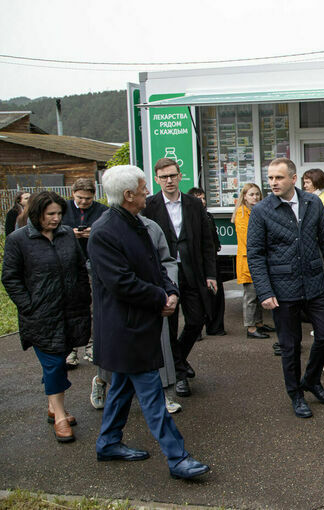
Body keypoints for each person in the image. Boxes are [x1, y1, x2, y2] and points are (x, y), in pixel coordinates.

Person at [88, 164, 209, 479]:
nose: (147, 192)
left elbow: (157, 265)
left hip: (138, 326)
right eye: (143, 188)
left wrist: (170, 291)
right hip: (124, 330)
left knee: (121, 389)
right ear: (129, 195)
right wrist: (160, 298)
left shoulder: (136, 224)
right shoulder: (105, 232)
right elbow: (121, 283)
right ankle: (178, 458)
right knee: (153, 397)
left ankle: (108, 443)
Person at [247, 157, 324, 418]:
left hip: (314, 283)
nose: (273, 182)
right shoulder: (262, 210)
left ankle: (311, 380)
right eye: (270, 178)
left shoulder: (313, 203)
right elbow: (255, 254)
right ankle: (296, 394)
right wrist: (265, 292)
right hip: (282, 289)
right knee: (290, 346)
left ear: (293, 178)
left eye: (278, 177)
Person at [2, 191, 91, 443]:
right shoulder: (18, 239)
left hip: (71, 313)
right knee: (53, 363)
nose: (56, 218)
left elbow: (79, 268)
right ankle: (60, 416)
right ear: (36, 213)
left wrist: (84, 298)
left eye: (59, 213)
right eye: (50, 214)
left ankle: (53, 406)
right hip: (40, 315)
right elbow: (10, 277)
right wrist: (28, 306)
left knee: (59, 360)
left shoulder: (67, 235)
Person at [88, 213, 184, 415]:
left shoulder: (151, 227)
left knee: (157, 349)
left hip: (153, 300)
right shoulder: (105, 228)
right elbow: (113, 276)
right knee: (117, 358)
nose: (145, 198)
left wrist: (171, 290)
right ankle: (102, 381)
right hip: (123, 303)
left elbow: (166, 262)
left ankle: (161, 394)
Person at [143, 158, 217, 398]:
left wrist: (210, 274)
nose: (169, 180)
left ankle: (179, 360)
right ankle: (180, 375)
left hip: (192, 271)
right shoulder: (149, 206)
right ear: (157, 179)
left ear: (180, 176)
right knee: (170, 325)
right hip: (164, 275)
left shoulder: (194, 204)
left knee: (197, 320)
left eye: (173, 175)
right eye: (164, 177)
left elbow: (206, 241)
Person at [61, 178, 109, 368]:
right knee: (69, 305)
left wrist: (93, 232)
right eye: (80, 198)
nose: (83, 202)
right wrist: (69, 233)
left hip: (92, 261)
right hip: (69, 262)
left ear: (94, 196)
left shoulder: (102, 211)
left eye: (88, 199)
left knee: (93, 305)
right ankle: (70, 349)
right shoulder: (63, 209)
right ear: (73, 194)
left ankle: (91, 345)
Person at [231, 183, 275, 343]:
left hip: (256, 258)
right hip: (248, 260)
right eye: (251, 194)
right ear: (244, 197)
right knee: (250, 296)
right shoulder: (242, 213)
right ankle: (251, 327)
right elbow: (248, 239)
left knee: (257, 294)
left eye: (257, 194)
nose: (255, 197)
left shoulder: (255, 211)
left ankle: (258, 323)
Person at [188, 187, 227, 337]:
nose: (203, 202)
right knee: (198, 296)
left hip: (212, 259)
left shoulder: (208, 216)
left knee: (216, 294)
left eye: (204, 198)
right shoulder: (190, 218)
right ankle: (196, 329)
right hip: (197, 262)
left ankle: (215, 326)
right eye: (199, 199)